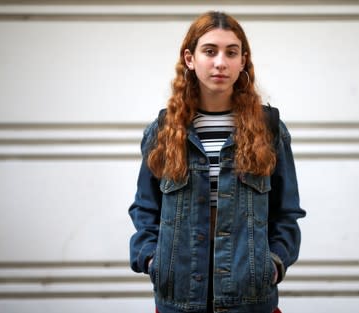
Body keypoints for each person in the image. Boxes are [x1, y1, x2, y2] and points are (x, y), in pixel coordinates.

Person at [129, 11, 306, 313]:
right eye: (209, 51)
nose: (220, 62)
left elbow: (286, 213)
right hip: (180, 299)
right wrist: (152, 259)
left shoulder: (268, 130)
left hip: (250, 300)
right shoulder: (163, 131)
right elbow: (146, 209)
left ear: (242, 61)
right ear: (190, 58)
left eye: (231, 52)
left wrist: (272, 264)